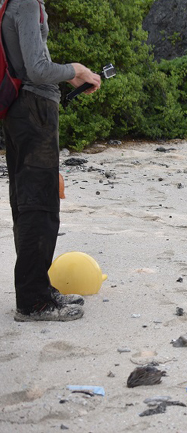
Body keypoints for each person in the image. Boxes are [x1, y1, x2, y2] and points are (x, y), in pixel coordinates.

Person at [3, 0, 102, 321]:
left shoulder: (9, 4)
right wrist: (76, 69)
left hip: (19, 110)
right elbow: (38, 69)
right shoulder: (27, 3)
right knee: (40, 205)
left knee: (26, 201)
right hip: (35, 110)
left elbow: (25, 65)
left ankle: (36, 289)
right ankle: (34, 302)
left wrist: (70, 78)